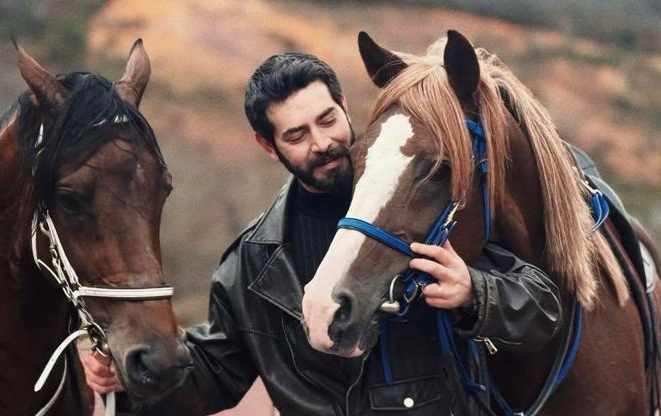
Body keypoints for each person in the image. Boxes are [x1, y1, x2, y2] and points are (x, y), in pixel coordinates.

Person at [80, 52, 561, 415]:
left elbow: (542, 306)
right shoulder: (255, 259)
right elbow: (214, 373)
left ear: (345, 105)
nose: (322, 143)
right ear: (268, 147)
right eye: (296, 135)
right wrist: (131, 377)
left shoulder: (417, 201)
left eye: (327, 119)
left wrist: (474, 292)